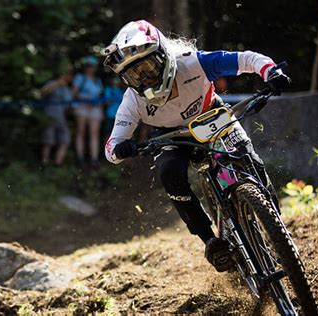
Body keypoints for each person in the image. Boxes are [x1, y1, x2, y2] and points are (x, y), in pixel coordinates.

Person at [103, 20, 290, 272]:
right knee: (169, 172)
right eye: (134, 74)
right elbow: (111, 146)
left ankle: (275, 225)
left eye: (147, 67)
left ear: (163, 55)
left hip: (213, 116)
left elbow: (245, 59)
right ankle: (210, 240)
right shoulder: (132, 101)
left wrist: (271, 72)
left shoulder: (193, 63)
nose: (144, 79)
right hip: (173, 136)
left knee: (248, 159)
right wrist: (120, 150)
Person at [72, 56, 104, 168]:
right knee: (81, 132)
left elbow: (100, 96)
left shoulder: (97, 80)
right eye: (88, 66)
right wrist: (87, 99)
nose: (90, 68)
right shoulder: (80, 78)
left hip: (94, 108)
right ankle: (80, 158)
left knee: (94, 134)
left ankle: (94, 159)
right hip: (82, 107)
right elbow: (74, 93)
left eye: (92, 66)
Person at [40, 64, 73, 166]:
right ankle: (45, 164)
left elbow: (69, 106)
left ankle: (57, 164)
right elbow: (42, 93)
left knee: (65, 140)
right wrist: (57, 84)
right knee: (48, 141)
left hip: (62, 119)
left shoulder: (68, 90)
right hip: (49, 116)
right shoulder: (52, 84)